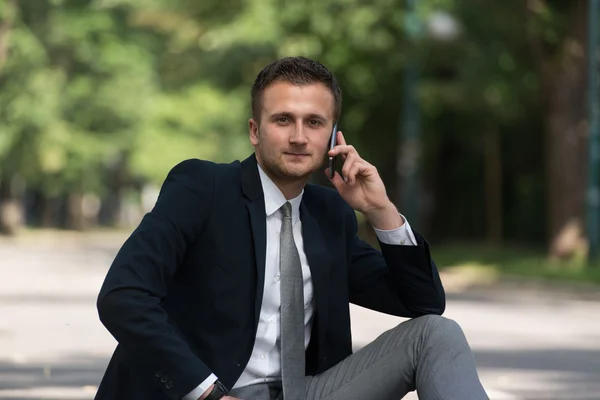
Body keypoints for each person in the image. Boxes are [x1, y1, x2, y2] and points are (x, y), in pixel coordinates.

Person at [95, 56, 489, 400]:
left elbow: (422, 303)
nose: (299, 137)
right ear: (255, 130)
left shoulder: (329, 213)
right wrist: (206, 393)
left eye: (314, 122)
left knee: (436, 334)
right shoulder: (203, 188)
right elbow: (122, 296)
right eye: (283, 120)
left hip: (306, 392)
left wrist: (380, 209)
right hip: (210, 391)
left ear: (333, 137)